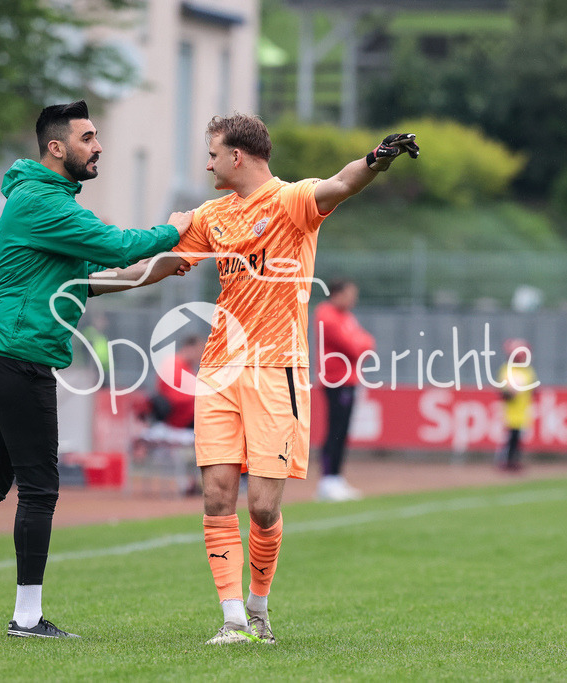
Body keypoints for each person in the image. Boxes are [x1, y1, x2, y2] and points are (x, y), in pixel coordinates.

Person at [0, 100, 192, 639]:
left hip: (5, 353)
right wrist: (174, 229)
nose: (98, 145)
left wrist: (154, 270)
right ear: (57, 149)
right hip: (18, 358)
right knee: (39, 489)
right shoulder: (44, 203)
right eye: (88, 137)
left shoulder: (45, 201)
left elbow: (88, 278)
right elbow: (117, 244)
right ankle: (26, 618)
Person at [154, 115, 419, 644]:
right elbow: (161, 264)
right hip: (219, 371)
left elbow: (340, 183)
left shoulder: (291, 201)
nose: (206, 163)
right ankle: (232, 620)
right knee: (217, 494)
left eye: (212, 153)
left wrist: (376, 159)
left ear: (237, 157)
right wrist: (90, 282)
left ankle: (258, 607)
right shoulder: (212, 216)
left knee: (263, 506)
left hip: (278, 372)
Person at [313, 279, 374, 501]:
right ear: (337, 294)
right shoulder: (326, 314)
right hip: (334, 380)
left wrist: (361, 343)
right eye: (350, 294)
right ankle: (327, 480)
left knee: (343, 430)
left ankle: (336, 478)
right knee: (335, 431)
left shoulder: (347, 317)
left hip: (349, 380)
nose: (353, 299)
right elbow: (354, 346)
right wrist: (361, 343)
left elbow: (368, 342)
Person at [496, 338, 538, 472]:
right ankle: (505, 461)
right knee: (510, 438)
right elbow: (503, 393)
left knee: (517, 438)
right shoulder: (507, 370)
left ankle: (514, 460)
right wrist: (510, 392)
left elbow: (533, 389)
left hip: (523, 411)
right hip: (510, 411)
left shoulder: (527, 370)